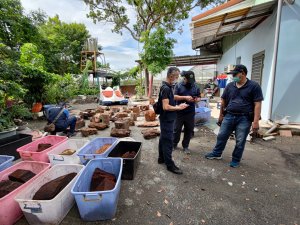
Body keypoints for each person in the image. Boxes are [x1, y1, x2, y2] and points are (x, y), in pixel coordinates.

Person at [204, 64, 263, 167]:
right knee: (222, 136)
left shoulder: (254, 86)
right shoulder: (230, 86)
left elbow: (257, 104)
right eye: (233, 74)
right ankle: (217, 153)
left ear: (243, 73)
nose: (233, 76)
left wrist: (256, 121)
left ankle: (236, 159)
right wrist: (221, 115)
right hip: (229, 116)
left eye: (235, 74)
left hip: (244, 118)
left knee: (240, 140)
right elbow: (223, 101)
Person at [158, 67, 188, 175]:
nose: (178, 78)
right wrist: (178, 108)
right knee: (168, 141)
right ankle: (170, 165)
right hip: (167, 119)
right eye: (177, 76)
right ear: (171, 76)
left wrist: (179, 103)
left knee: (163, 138)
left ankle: (161, 158)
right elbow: (166, 106)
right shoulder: (166, 88)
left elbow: (170, 98)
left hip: (166, 118)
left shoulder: (167, 86)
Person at [173, 71, 200, 154]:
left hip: (190, 112)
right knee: (176, 129)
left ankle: (185, 146)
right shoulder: (178, 85)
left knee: (188, 130)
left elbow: (199, 96)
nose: (190, 82)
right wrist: (185, 97)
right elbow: (174, 97)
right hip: (179, 112)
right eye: (188, 80)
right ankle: (174, 144)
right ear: (184, 78)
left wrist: (196, 100)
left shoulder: (195, 86)